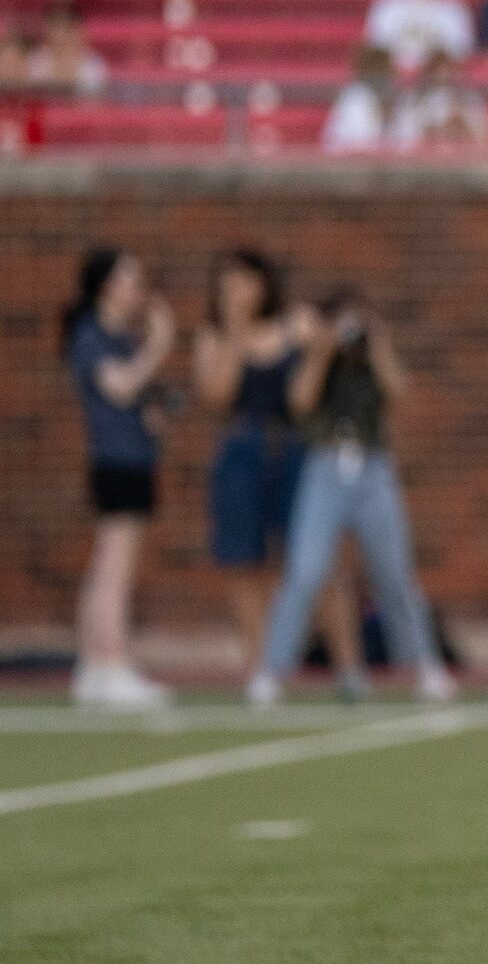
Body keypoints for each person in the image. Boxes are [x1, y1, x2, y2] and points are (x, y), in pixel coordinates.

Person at [248, 286, 453, 706]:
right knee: (305, 571)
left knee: (394, 574)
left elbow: (399, 393)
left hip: (373, 469)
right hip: (324, 468)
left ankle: (424, 666)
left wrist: (376, 346)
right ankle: (271, 671)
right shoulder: (317, 359)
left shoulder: (371, 360)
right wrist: (322, 350)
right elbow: (300, 401)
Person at [193, 251, 359, 700]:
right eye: (226, 286)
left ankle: (349, 669)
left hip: (295, 450)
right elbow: (218, 396)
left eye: (243, 283)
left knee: (317, 560)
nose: (236, 294)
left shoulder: (293, 326)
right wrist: (234, 331)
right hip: (242, 449)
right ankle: (259, 670)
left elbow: (336, 357)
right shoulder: (213, 337)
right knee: (244, 563)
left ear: (263, 284)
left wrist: (323, 344)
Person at [63, 248, 176, 709]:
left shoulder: (123, 338)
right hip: (115, 462)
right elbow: (120, 385)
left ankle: (94, 664)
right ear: (106, 286)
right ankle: (110, 663)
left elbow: (138, 400)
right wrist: (160, 344)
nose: (138, 290)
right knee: (115, 568)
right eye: (129, 280)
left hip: (136, 460)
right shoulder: (90, 335)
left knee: (108, 565)